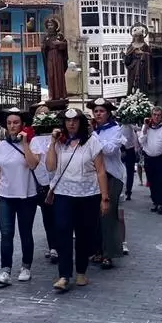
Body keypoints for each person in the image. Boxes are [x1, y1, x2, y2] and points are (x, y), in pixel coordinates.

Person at [46, 109, 110, 291]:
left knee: (84, 234)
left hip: (88, 194)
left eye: (75, 120)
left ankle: (81, 272)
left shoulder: (91, 142)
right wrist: (52, 143)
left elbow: (101, 170)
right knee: (63, 231)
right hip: (64, 193)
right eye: (67, 121)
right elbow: (50, 167)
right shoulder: (60, 142)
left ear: (81, 122)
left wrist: (104, 197)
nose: (71, 124)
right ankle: (64, 275)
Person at [0, 108, 39, 286]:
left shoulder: (31, 143)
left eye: (16, 123)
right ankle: (5, 270)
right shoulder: (0, 146)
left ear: (22, 125)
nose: (12, 126)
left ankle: (26, 266)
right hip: (6, 196)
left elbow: (33, 164)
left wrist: (25, 143)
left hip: (27, 196)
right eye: (9, 123)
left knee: (25, 233)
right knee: (6, 234)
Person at [87, 98, 127, 269]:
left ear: (108, 113)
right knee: (95, 216)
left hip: (112, 175)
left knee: (108, 214)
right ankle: (97, 250)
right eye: (96, 111)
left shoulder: (116, 130)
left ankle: (109, 253)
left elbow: (110, 150)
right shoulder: (93, 131)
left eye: (101, 111)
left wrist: (94, 135)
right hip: (94, 177)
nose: (98, 114)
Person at [29, 102, 58, 262]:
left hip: (58, 181)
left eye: (46, 113)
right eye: (40, 114)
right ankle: (53, 246)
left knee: (59, 215)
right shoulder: (35, 141)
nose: (44, 115)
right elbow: (35, 163)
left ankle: (59, 244)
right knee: (48, 215)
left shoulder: (57, 137)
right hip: (43, 183)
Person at [141, 107, 162, 214]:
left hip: (161, 157)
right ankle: (155, 201)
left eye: (158, 115)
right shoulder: (147, 126)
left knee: (161, 181)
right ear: (151, 115)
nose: (156, 117)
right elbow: (141, 141)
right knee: (152, 181)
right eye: (154, 114)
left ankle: (160, 204)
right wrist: (145, 130)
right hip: (149, 158)